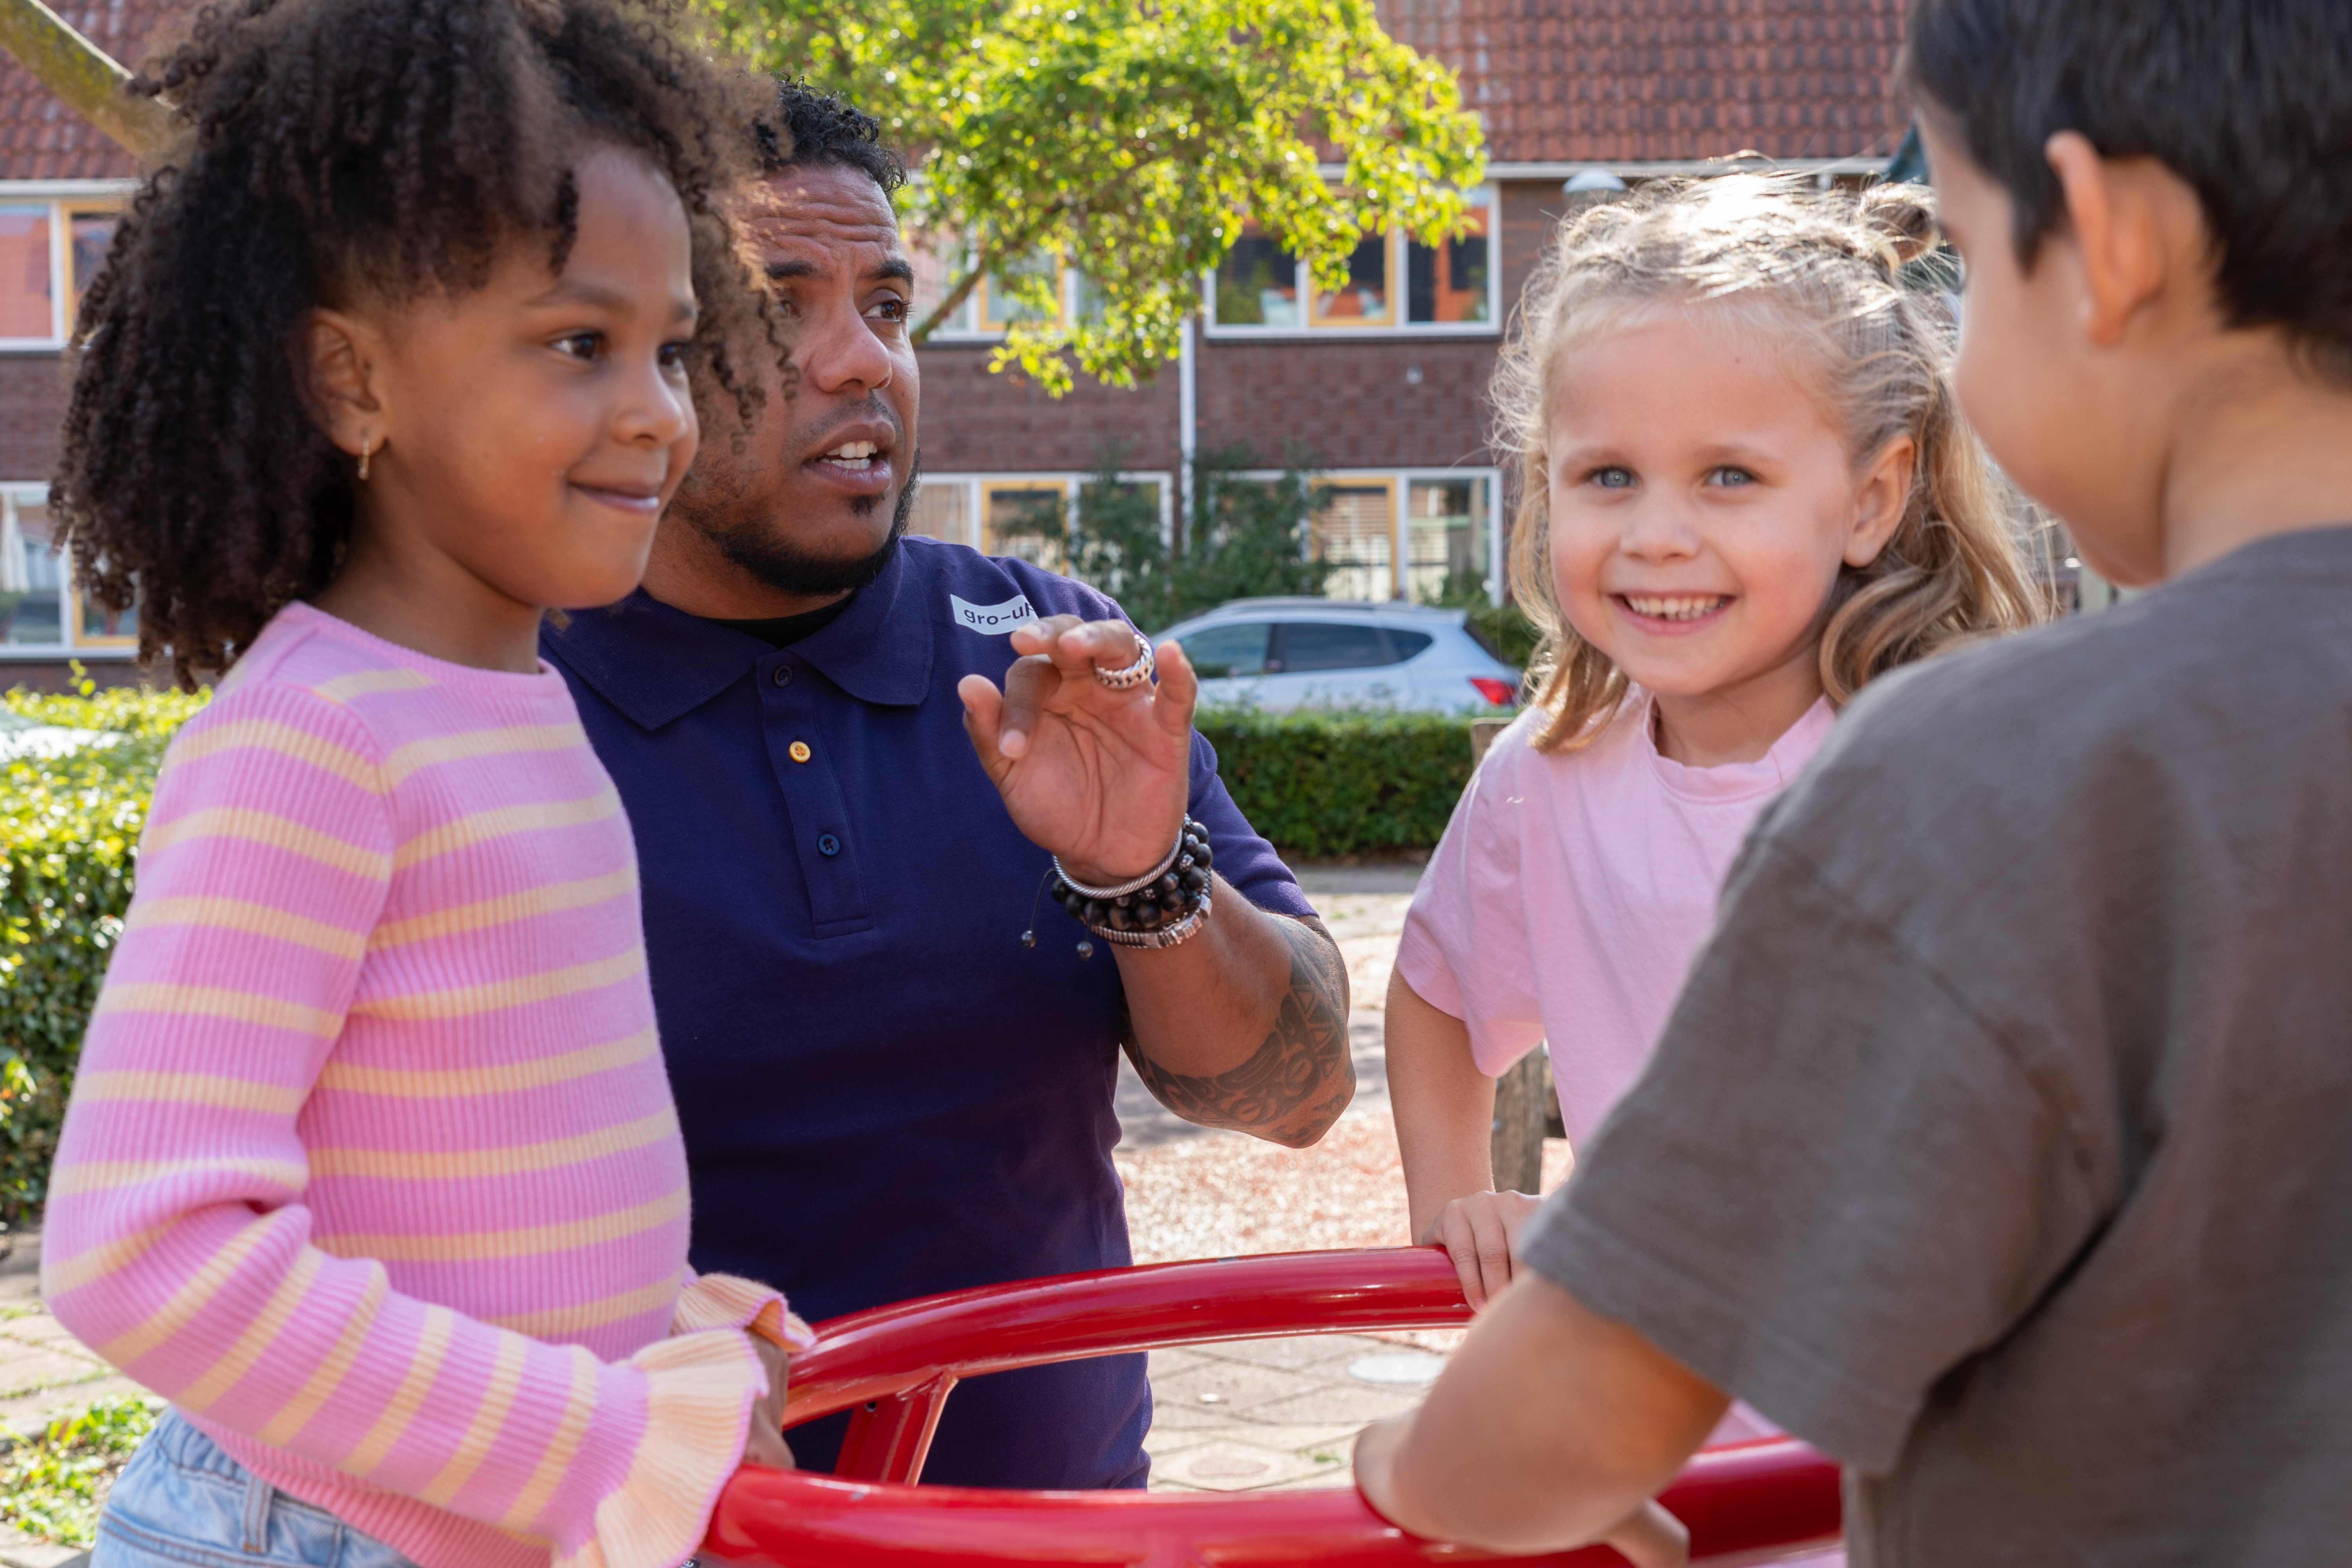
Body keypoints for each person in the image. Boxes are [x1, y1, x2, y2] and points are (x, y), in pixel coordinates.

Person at [1352, 0, 2352, 1563]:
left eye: (1960, 244)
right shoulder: (1583, 776)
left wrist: (1410, 1458)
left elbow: (1600, 1398)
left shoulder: (1974, 778)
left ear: (2106, 236)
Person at [40, 7, 809, 1568]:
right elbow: (144, 1251)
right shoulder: (314, 741)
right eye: (580, 343)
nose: (662, 407)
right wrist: (596, 1438)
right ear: (349, 381)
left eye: (671, 345)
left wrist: (654, 1331)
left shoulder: (516, 707)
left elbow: (469, 1170)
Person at [541, 83, 1354, 1491]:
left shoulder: (1046, 651)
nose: (865, 361)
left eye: (892, 304)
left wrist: (1140, 880)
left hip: (1050, 1530)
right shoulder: (496, 705)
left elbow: (1295, 1098)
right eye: (781, 300)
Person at [1389, 174, 2042, 1319]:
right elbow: (1439, 995)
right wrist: (1456, 1212)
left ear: (1869, 499)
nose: (1656, 535)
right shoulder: (1547, 779)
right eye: (1608, 477)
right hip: (1658, 1430)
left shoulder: (1961, 774)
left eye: (1728, 477)